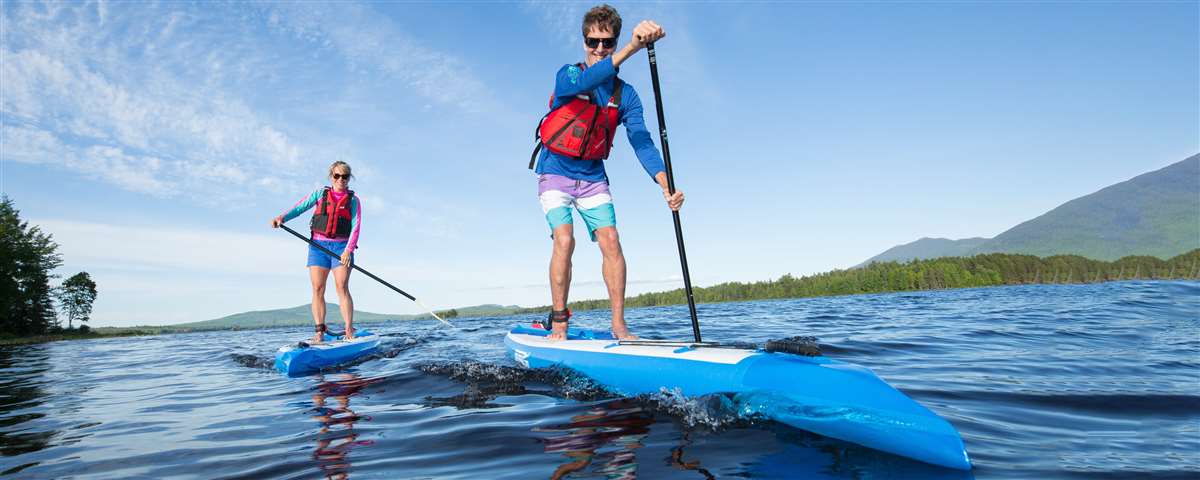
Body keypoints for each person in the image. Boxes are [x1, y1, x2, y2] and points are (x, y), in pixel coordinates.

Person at [530, 4, 684, 341]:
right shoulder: (569, 75)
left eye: (608, 42)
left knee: (611, 241)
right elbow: (590, 78)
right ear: (584, 40)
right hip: (555, 173)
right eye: (592, 41)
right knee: (565, 239)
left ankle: (619, 326)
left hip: (593, 178)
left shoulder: (625, 95)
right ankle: (559, 324)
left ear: (613, 41)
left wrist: (665, 185)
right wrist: (633, 47)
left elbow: (642, 142)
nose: (599, 49)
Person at [271, 161, 362, 343]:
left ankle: (348, 330)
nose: (340, 180)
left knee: (341, 287)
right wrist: (282, 218)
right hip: (318, 247)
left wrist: (348, 250)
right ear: (331, 177)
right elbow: (300, 207)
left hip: (341, 249)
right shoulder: (320, 194)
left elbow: (356, 226)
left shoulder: (353, 200)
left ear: (348, 178)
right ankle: (320, 332)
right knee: (318, 288)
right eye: (337, 176)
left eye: (344, 176)